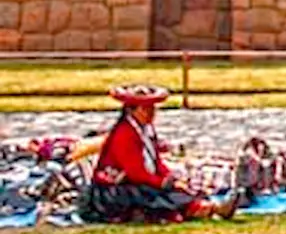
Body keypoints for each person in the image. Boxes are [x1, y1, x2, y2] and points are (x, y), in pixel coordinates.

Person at [81, 85, 238, 223]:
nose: (151, 113)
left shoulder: (146, 132)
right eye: (145, 109)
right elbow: (136, 173)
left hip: (137, 183)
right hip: (116, 191)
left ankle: (206, 207)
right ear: (131, 111)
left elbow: (155, 162)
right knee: (157, 195)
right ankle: (210, 209)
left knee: (180, 190)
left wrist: (171, 178)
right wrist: (165, 183)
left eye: (152, 108)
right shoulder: (124, 134)